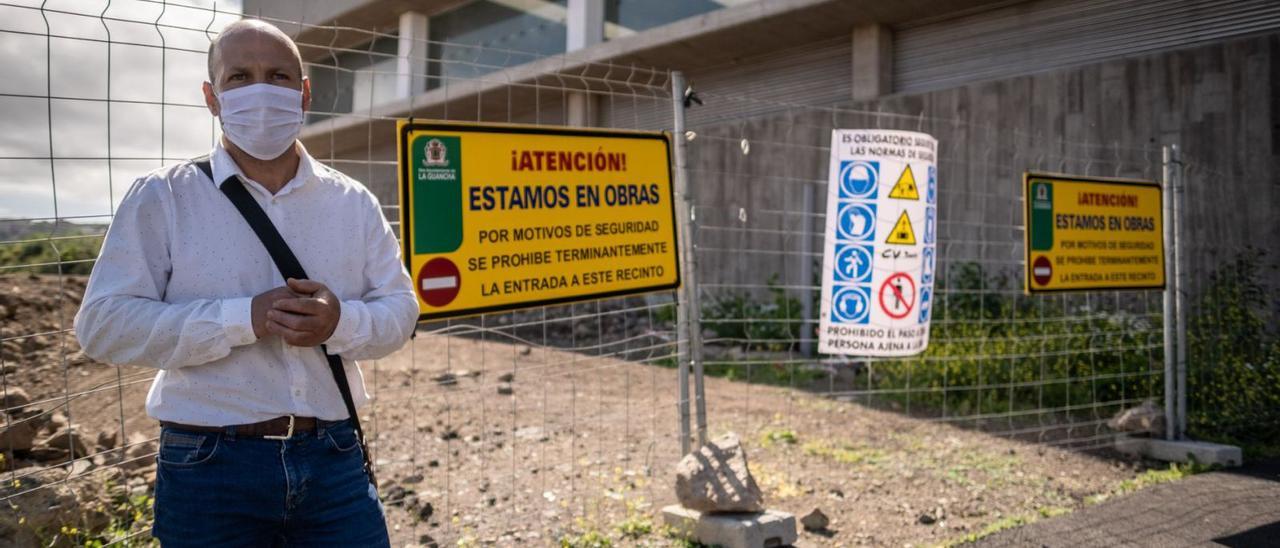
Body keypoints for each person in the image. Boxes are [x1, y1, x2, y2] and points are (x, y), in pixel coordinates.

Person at [74, 19, 417, 547]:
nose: (261, 89)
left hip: (335, 459)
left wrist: (341, 322)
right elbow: (103, 325)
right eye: (241, 76)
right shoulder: (162, 198)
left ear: (304, 93)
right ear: (212, 97)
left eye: (278, 75)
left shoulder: (352, 202)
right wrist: (242, 319)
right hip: (209, 467)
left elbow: (400, 309)